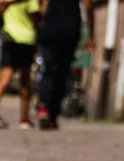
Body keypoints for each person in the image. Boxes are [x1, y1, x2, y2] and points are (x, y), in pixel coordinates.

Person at [0, 0, 41, 129]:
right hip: (26, 39)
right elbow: (34, 16)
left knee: (4, 78)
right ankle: (24, 118)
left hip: (9, 37)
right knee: (25, 80)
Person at [36, 0, 94, 130]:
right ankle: (53, 114)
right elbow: (88, 6)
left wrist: (42, 24)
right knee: (62, 73)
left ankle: (43, 107)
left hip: (50, 28)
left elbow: (43, 7)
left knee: (48, 70)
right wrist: (91, 34)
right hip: (69, 29)